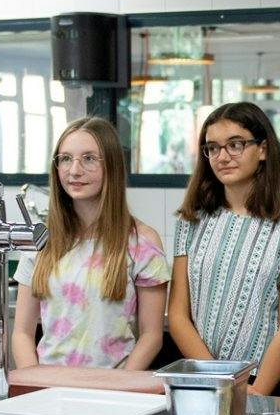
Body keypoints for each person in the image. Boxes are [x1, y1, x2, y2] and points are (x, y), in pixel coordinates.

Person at [168, 102, 280, 395]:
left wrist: (256, 393)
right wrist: (217, 380)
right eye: (213, 148)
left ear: (262, 150)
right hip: (207, 379)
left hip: (267, 384)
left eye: (235, 145)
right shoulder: (191, 221)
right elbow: (177, 316)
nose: (223, 156)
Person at [12, 116, 168, 370]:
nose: (74, 170)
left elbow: (151, 337)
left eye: (89, 158)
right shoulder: (41, 241)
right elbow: (22, 333)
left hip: (112, 394)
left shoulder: (142, 242)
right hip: (48, 392)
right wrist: (33, 384)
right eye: (65, 159)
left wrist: (117, 386)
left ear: (112, 167)